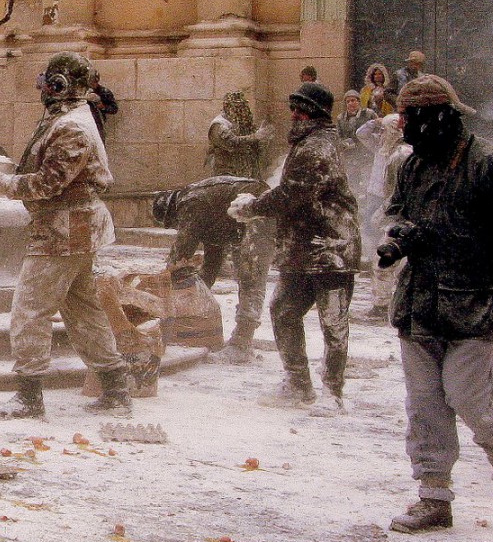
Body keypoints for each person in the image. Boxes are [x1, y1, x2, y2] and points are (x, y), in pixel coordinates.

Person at [374, 75, 493, 532]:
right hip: (419, 305)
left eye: (412, 119)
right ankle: (433, 497)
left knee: (470, 399)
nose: (405, 128)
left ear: (441, 117)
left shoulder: (492, 166)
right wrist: (400, 237)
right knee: (425, 407)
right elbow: (398, 212)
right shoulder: (413, 166)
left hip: (474, 306)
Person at [0, 52, 142, 418]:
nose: (41, 89)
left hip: (64, 229)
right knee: (82, 308)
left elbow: (51, 182)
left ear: (60, 86)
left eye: (46, 82)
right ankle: (116, 388)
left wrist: (5, 184)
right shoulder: (70, 119)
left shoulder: (72, 126)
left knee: (30, 309)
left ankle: (29, 394)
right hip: (72, 228)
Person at [231, 82, 361, 408]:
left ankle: (333, 392)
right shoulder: (308, 143)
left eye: (299, 109)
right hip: (303, 248)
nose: (293, 114)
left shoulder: (317, 147)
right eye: (292, 108)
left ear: (314, 114)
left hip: (331, 247)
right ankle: (298, 384)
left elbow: (292, 195)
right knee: (284, 310)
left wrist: (252, 207)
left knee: (332, 322)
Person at [151, 175, 272, 363]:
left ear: (172, 212)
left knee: (250, 277)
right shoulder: (209, 211)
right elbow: (211, 265)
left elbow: (180, 254)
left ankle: (242, 344)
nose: (178, 226)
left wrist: (162, 294)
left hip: (257, 207)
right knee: (248, 275)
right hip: (250, 207)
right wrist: (196, 307)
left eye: (175, 224)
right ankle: (241, 341)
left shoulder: (191, 202)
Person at [207, 91, 272, 179]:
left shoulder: (241, 122)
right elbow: (232, 143)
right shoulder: (219, 124)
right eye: (236, 107)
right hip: (226, 173)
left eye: (242, 106)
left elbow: (254, 143)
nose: (240, 110)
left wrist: (263, 137)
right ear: (227, 106)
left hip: (244, 172)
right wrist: (255, 136)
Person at [86, 69, 118, 138]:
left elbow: (114, 109)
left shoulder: (104, 92)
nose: (92, 85)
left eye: (94, 82)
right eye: (90, 82)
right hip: (84, 123)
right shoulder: (81, 92)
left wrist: (103, 107)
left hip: (98, 124)